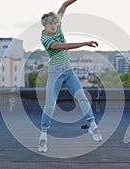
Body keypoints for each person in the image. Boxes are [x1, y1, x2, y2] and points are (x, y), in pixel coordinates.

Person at [38, 0, 102, 153]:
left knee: (82, 96)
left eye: (55, 23)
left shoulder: (57, 25)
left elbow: (65, 5)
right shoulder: (46, 39)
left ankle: (93, 126)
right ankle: (43, 136)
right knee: (50, 105)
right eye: (51, 25)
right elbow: (64, 47)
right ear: (45, 26)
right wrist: (85, 43)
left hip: (68, 71)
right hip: (55, 73)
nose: (54, 27)